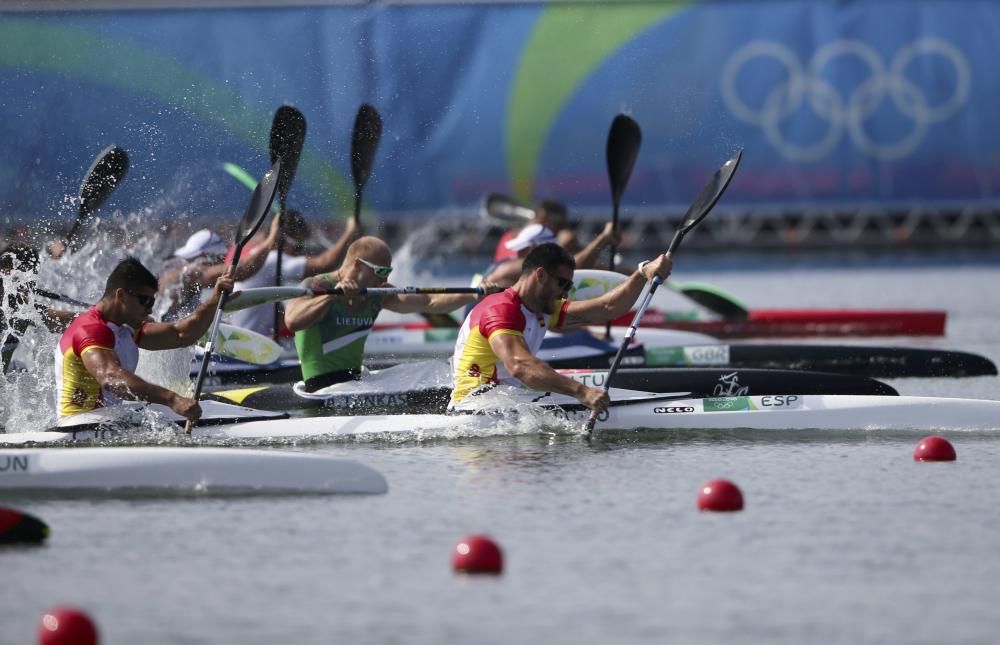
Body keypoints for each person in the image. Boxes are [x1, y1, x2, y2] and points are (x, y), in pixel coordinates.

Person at [450, 242, 671, 413]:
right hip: (477, 407)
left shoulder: (540, 309)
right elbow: (520, 367)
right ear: (540, 275)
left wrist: (642, 273)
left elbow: (607, 307)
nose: (565, 293)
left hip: (505, 401)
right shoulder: (501, 310)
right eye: (563, 284)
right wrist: (581, 392)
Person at [284, 236, 501, 392]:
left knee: (436, 371)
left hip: (354, 381)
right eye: (381, 271)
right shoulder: (317, 285)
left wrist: (475, 293)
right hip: (322, 387)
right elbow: (293, 321)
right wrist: (331, 297)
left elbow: (431, 302)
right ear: (357, 265)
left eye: (388, 272)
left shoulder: (378, 293)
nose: (384, 279)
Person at [55, 256, 234, 421]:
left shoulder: (125, 327)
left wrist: (214, 299)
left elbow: (181, 334)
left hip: (108, 423)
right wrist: (173, 399)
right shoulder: (91, 329)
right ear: (121, 295)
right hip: (80, 429)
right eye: (145, 302)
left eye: (152, 303)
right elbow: (111, 378)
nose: (150, 310)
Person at [227, 210, 360, 337]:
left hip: (248, 339)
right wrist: (350, 232)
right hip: (249, 346)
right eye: (298, 246)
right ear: (283, 240)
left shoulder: (259, 256)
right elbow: (325, 264)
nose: (299, 252)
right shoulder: (273, 259)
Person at [158, 213, 282, 320]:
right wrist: (271, 239)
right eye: (218, 262)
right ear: (208, 257)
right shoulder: (191, 272)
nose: (219, 266)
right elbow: (242, 269)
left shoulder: (174, 268)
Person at [484, 200, 620, 289]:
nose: (560, 229)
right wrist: (602, 240)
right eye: (560, 224)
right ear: (543, 217)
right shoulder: (512, 267)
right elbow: (570, 266)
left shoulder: (510, 237)